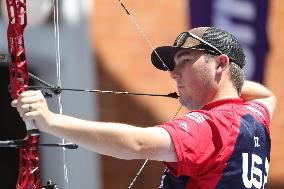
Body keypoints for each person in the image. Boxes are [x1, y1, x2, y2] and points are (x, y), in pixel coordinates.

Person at [12, 27, 276, 189]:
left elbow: (137, 144)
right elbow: (267, 95)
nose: (174, 73)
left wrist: (50, 122)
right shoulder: (255, 115)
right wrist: (223, 86)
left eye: (185, 61)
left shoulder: (210, 126)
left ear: (220, 64)